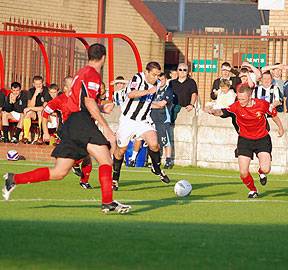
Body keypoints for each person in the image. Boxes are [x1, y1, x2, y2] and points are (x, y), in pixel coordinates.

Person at [2, 43, 131, 214]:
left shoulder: (81, 73)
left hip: (71, 124)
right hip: (80, 122)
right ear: (104, 57)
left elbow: (78, 102)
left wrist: (100, 109)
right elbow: (88, 102)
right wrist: (106, 128)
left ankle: (13, 179)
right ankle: (107, 202)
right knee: (106, 159)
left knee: (59, 172)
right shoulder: (92, 74)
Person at [206, 85, 284, 198]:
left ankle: (261, 172)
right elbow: (223, 112)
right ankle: (253, 190)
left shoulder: (262, 104)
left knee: (266, 169)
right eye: (239, 98)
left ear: (250, 96)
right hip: (245, 140)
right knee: (243, 172)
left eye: (243, 99)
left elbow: (274, 115)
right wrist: (213, 111)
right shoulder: (236, 106)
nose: (240, 101)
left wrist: (281, 128)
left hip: (262, 139)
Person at [112, 61, 171, 191]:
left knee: (154, 144)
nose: (156, 78)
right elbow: (130, 94)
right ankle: (115, 178)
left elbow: (147, 103)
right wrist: (148, 91)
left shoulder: (158, 83)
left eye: (158, 75)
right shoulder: (137, 78)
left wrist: (157, 104)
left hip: (143, 120)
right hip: (128, 120)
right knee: (121, 151)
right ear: (146, 72)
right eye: (154, 75)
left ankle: (156, 168)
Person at [42, 76, 94, 190]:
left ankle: (84, 181)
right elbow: (45, 114)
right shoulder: (59, 100)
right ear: (65, 88)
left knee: (87, 156)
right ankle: (74, 164)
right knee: (84, 154)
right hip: (66, 132)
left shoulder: (81, 98)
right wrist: (45, 132)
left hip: (81, 131)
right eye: (73, 85)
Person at [150, 72, 174, 169]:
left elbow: (162, 104)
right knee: (155, 142)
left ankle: (168, 161)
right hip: (152, 119)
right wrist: (155, 104)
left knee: (166, 141)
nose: (160, 81)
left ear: (166, 80)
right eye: (159, 80)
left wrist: (151, 104)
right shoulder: (153, 90)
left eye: (162, 79)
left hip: (163, 119)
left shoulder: (168, 90)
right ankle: (156, 161)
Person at [22, 75, 52, 144]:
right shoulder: (31, 91)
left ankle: (41, 136)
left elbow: (44, 107)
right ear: (33, 84)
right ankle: (26, 137)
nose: (38, 86)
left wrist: (30, 108)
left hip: (43, 113)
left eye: (40, 84)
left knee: (40, 112)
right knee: (28, 113)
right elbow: (30, 105)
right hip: (34, 112)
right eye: (36, 84)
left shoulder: (46, 91)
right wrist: (35, 94)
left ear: (42, 83)